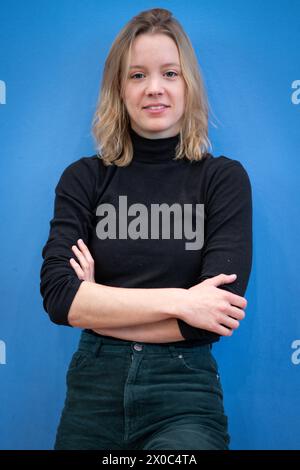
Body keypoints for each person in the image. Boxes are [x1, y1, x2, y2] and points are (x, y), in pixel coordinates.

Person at [40, 8, 252, 450]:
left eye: (169, 73)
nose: (154, 88)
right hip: (93, 391)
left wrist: (99, 305)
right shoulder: (84, 178)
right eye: (137, 75)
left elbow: (212, 320)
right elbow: (62, 300)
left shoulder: (222, 179)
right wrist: (181, 300)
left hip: (184, 391)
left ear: (187, 84)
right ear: (119, 89)